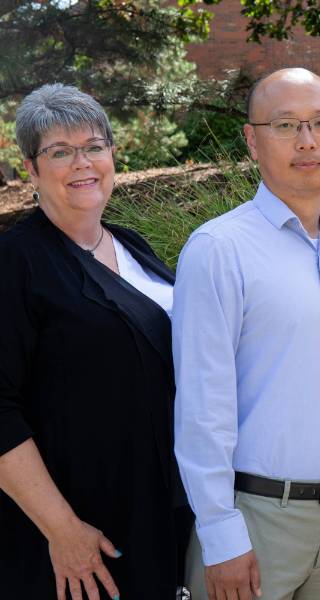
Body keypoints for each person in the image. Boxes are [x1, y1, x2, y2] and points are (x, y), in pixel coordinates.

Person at [173, 68, 320, 600]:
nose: (306, 141)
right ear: (251, 139)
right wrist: (221, 534)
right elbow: (203, 406)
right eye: (285, 124)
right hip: (253, 521)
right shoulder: (218, 250)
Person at [0, 84, 190, 599]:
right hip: (74, 541)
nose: (82, 162)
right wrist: (62, 530)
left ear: (113, 154)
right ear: (31, 168)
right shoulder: (15, 263)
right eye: (60, 152)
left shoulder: (133, 245)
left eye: (93, 146)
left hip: (153, 513)